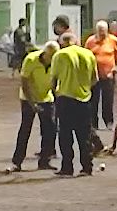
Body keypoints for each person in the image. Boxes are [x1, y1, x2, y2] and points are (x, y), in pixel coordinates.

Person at [49, 31, 98, 176]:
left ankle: (67, 167)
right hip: (84, 99)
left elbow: (53, 81)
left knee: (65, 135)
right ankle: (87, 167)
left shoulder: (60, 55)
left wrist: (56, 92)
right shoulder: (89, 54)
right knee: (85, 135)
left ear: (63, 42)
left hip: (66, 98)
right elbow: (94, 79)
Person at [11, 41, 58, 172]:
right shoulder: (31, 60)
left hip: (46, 98)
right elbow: (24, 83)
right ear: (45, 53)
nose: (53, 60)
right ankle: (17, 161)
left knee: (50, 129)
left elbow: (56, 81)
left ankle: (45, 160)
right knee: (25, 129)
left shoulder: (56, 61)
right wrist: (33, 104)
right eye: (51, 57)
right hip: (28, 98)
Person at [85, 21, 117, 131]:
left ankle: (109, 122)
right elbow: (85, 55)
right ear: (96, 31)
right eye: (100, 32)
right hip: (93, 76)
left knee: (108, 100)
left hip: (108, 75)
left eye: (104, 32)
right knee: (93, 100)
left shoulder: (112, 40)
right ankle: (93, 124)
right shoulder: (90, 41)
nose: (102, 34)